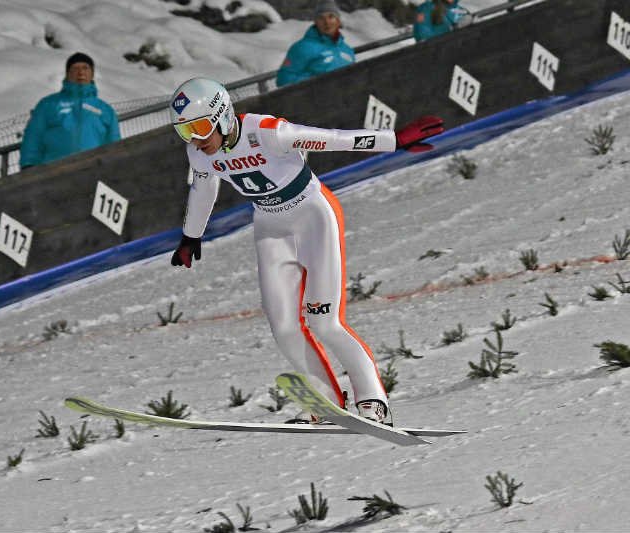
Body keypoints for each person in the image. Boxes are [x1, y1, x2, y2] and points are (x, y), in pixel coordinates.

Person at [167, 77, 443, 423]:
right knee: (284, 327)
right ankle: (325, 404)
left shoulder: (268, 132)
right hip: (270, 228)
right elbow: (203, 189)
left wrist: (394, 140)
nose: (195, 139)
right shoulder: (199, 152)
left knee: (325, 322)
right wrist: (190, 236)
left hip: (313, 217)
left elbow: (333, 139)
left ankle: (373, 400)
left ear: (222, 116)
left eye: (199, 127)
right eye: (185, 132)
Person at [20, 52, 120, 169]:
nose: (81, 72)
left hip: (94, 171)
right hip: (53, 172)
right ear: (67, 74)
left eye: (85, 68)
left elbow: (114, 143)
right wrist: (29, 164)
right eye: (75, 68)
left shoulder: (105, 110)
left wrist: (115, 167)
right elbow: (33, 137)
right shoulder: (48, 105)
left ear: (92, 74)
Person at [275, 0, 355, 87]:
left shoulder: (347, 50)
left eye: (331, 16)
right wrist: (316, 83)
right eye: (321, 18)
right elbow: (283, 80)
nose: (326, 22)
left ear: (338, 21)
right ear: (315, 22)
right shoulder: (302, 47)